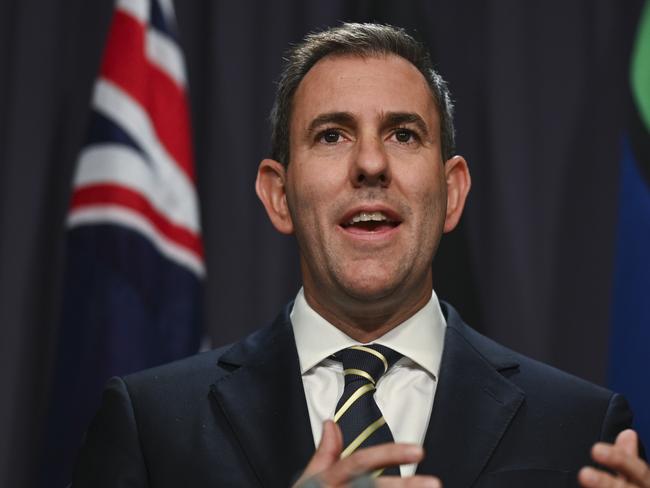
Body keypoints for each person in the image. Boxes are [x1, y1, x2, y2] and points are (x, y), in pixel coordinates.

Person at [72, 23, 649, 488]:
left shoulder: (579, 429)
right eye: (332, 135)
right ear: (279, 195)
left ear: (452, 193)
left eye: (403, 134)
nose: (370, 164)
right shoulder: (152, 425)